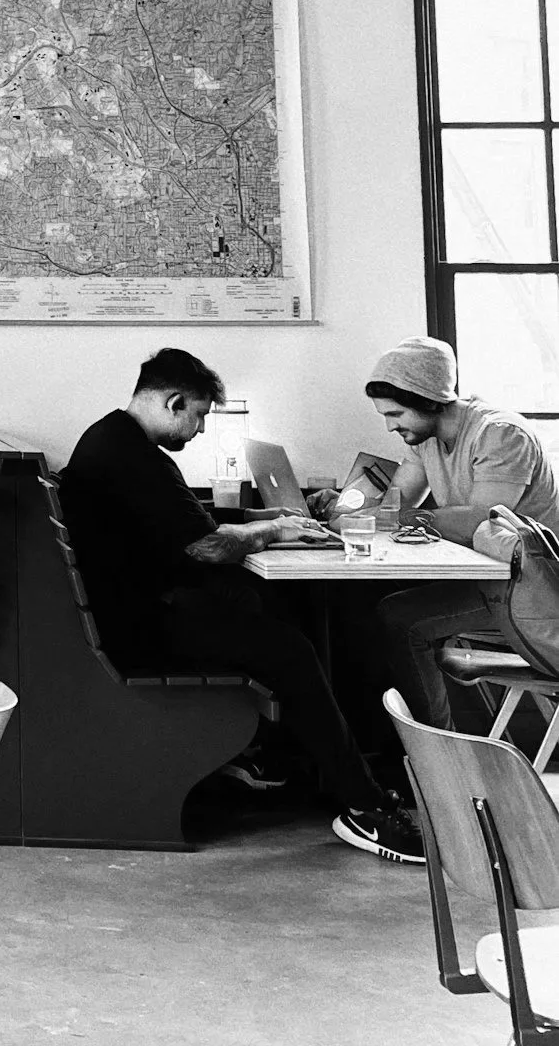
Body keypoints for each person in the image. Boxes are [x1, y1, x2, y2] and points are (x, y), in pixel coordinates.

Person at [60, 347, 423, 863]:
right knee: (290, 648)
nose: (200, 430)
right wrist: (273, 530)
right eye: (200, 416)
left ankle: (299, 765)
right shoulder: (136, 458)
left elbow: (184, 526)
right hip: (140, 626)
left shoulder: (112, 440)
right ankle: (362, 806)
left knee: (273, 614)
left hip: (129, 609)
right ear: (175, 401)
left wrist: (265, 519)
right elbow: (205, 546)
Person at [355, 337, 559, 732]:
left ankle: (434, 748)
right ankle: (420, 746)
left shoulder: (500, 434)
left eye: (396, 413)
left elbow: (482, 520)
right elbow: (397, 506)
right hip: (494, 580)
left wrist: (390, 519)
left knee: (401, 618)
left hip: (535, 589)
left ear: (429, 399)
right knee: (379, 608)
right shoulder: (423, 437)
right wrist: (350, 510)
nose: (390, 425)